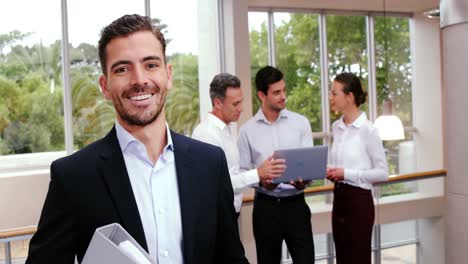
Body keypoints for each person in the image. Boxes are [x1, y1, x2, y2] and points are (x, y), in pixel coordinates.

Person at [26, 14, 249, 264]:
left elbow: (231, 258)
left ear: (169, 75)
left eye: (151, 65)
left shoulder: (210, 163)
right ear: (105, 86)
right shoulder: (74, 176)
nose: (140, 80)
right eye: (122, 69)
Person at [238, 66, 315, 264]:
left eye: (284, 90)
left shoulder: (301, 123)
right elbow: (243, 171)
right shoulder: (247, 131)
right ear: (261, 95)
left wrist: (304, 181)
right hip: (266, 209)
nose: (283, 96)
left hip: (296, 205)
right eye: (277, 92)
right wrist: (263, 183)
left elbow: (308, 163)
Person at [192, 73, 286, 217]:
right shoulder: (206, 135)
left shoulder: (225, 130)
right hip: (217, 216)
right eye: (236, 104)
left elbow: (233, 174)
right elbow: (219, 184)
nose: (241, 108)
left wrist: (263, 177)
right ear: (217, 103)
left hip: (230, 212)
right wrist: (258, 173)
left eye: (241, 102)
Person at [326, 72, 388, 264]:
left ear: (350, 97)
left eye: (334, 93)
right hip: (339, 199)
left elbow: (382, 173)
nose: (330, 98)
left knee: (358, 259)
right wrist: (330, 171)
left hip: (359, 203)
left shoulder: (368, 130)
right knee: (342, 258)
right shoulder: (337, 127)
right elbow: (339, 163)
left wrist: (346, 173)